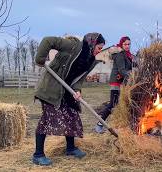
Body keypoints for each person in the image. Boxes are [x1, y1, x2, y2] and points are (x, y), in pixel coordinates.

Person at [33, 33, 105, 166]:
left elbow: (79, 78)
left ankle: (70, 148)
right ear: (92, 43)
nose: (99, 51)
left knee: (72, 115)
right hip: (51, 88)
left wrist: (77, 90)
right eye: (99, 47)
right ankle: (38, 154)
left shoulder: (89, 60)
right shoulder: (72, 46)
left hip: (67, 91)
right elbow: (48, 40)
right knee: (47, 119)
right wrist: (40, 58)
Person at [94, 36, 133, 133]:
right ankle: (99, 124)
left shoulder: (127, 55)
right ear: (121, 44)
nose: (127, 46)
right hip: (116, 80)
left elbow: (130, 65)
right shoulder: (120, 54)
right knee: (113, 103)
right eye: (125, 44)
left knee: (121, 104)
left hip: (122, 81)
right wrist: (133, 77)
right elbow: (121, 70)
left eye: (129, 44)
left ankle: (120, 125)